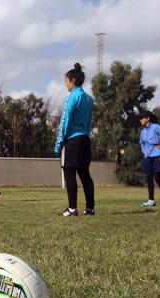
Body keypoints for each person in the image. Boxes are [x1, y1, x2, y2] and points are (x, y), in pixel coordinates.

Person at [54, 63, 95, 216]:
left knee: (69, 173)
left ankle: (72, 209)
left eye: (66, 81)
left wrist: (59, 142)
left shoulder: (71, 97)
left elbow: (65, 121)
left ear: (72, 80)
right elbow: (90, 121)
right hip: (85, 139)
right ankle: (90, 208)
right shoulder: (89, 99)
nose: (65, 84)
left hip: (73, 141)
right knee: (85, 174)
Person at [138, 110, 160, 207]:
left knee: (157, 178)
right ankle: (151, 200)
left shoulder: (156, 127)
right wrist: (145, 152)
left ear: (148, 118)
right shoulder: (143, 131)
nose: (140, 120)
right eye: (140, 118)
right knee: (149, 178)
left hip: (158, 156)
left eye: (142, 118)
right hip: (148, 157)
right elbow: (141, 143)